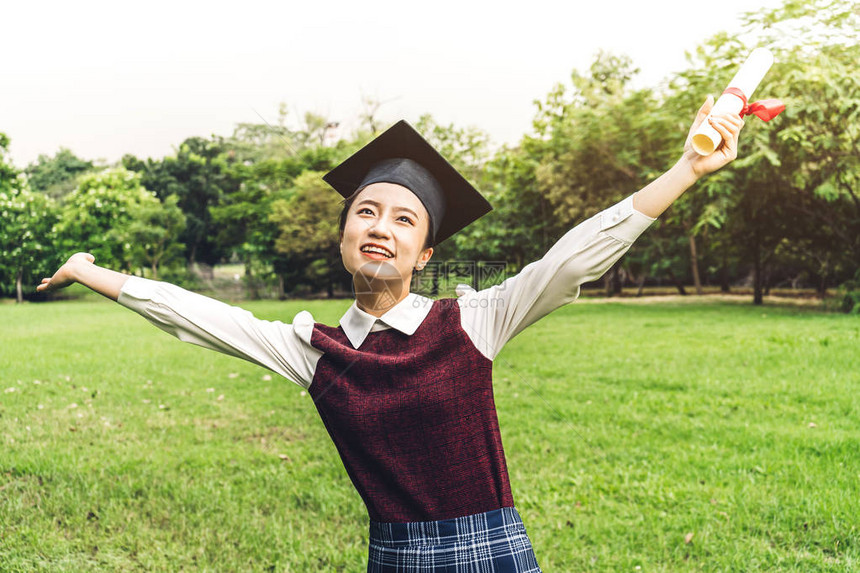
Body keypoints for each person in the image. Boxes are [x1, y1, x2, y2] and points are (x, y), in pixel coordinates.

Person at [37, 97, 744, 572]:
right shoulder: (316, 350)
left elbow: (572, 257)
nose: (380, 225)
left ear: (425, 254)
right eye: (366, 211)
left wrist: (685, 168)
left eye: (405, 219)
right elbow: (203, 317)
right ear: (344, 235)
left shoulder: (471, 321)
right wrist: (91, 271)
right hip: (394, 558)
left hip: (493, 552)